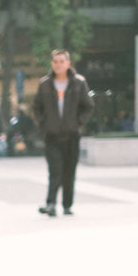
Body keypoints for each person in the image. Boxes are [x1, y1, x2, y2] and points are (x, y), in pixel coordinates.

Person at [32, 49, 94, 216]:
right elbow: (36, 107)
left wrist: (79, 123)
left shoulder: (79, 83)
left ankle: (67, 205)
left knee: (69, 171)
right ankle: (51, 204)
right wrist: (43, 124)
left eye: (61, 61)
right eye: (55, 62)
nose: (58, 65)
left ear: (68, 63)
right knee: (55, 170)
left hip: (72, 135)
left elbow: (88, 106)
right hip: (51, 136)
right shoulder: (44, 83)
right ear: (52, 64)